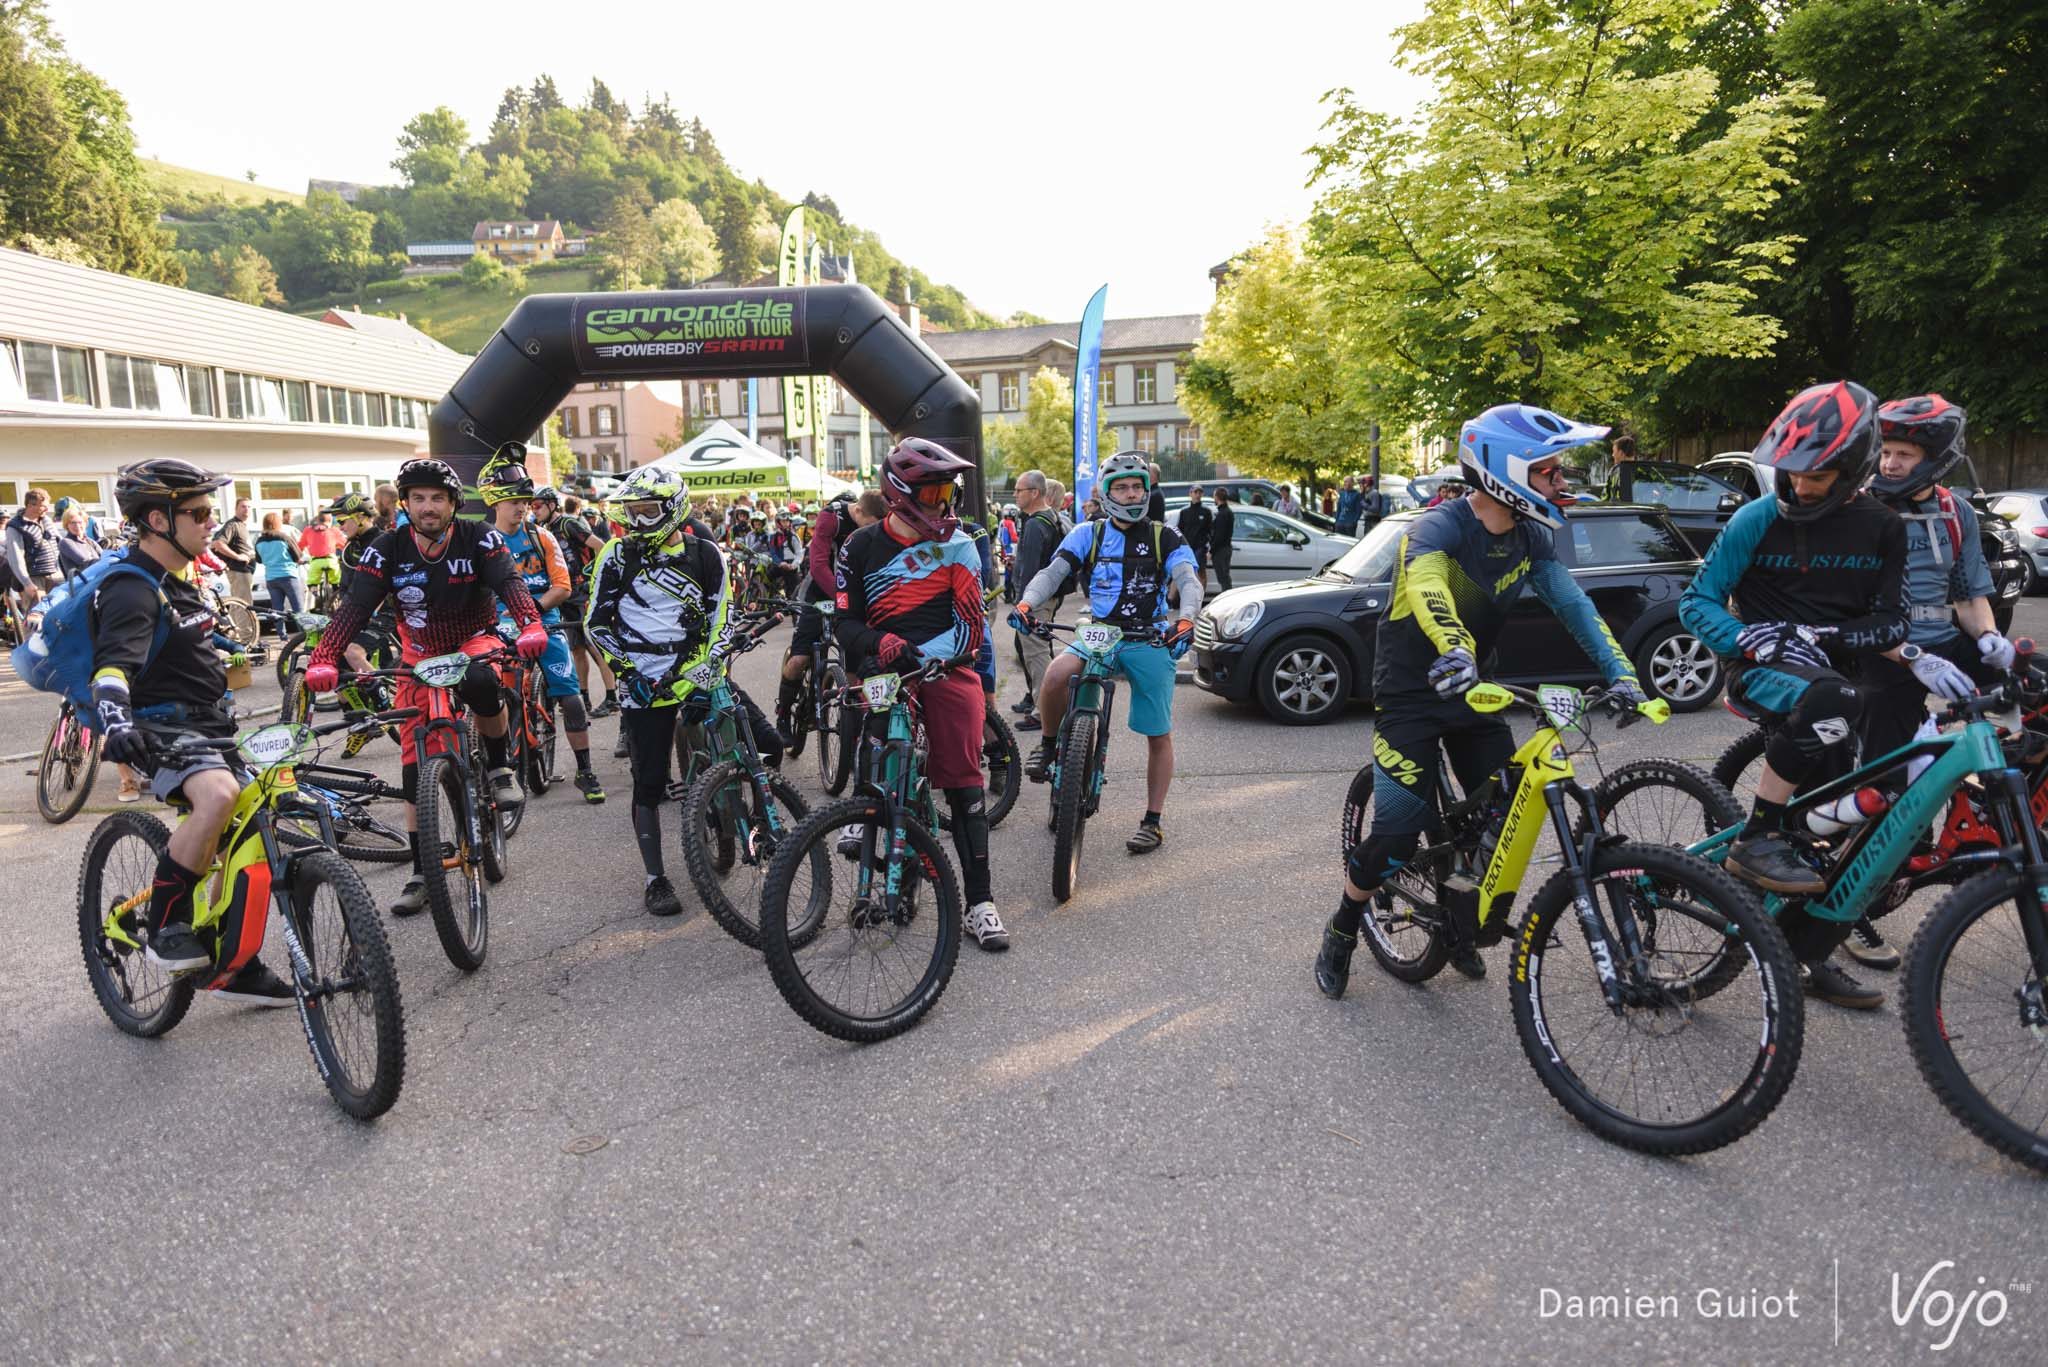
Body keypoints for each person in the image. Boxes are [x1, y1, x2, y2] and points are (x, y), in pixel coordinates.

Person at [1313, 404, 1652, 999]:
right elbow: (1427, 586)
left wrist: (1622, 672)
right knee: (1396, 835)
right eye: (1550, 471)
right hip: (1413, 690)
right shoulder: (1440, 527)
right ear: (1507, 471)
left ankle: (1456, 925)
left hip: (1474, 689)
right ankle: (1344, 925)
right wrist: (1455, 647)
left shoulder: (1530, 537)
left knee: (1492, 821)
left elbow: (1573, 606)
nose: (1562, 482)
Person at [1677, 381, 1906, 1009]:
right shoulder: (1757, 518)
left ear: (1855, 467)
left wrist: (1817, 633)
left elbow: (1893, 623)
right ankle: (1754, 838)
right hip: (1760, 671)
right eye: (1793, 471)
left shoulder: (1883, 528)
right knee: (1833, 704)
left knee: (1845, 818)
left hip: (1839, 685)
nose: (1801, 486)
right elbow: (1695, 602)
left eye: (1820, 474)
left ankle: (1804, 955)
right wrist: (1755, 640)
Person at [303, 457, 547, 917]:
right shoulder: (386, 547)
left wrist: (532, 624)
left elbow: (510, 584)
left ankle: (498, 769)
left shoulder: (479, 536)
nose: (428, 507)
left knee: (479, 680)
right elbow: (354, 608)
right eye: (418, 498)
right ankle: (421, 869)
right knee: (415, 766)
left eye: (437, 498)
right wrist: (323, 657)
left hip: (475, 640)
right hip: (419, 655)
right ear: (406, 503)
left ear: (453, 503)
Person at [91, 458, 293, 1003]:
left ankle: (236, 962)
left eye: (212, 511)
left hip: (211, 724)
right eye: (200, 513)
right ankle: (166, 924)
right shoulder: (130, 588)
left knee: (262, 811)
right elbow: (111, 669)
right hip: (160, 730)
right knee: (219, 796)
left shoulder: (177, 578)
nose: (212, 522)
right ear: (158, 520)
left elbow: (187, 642)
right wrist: (114, 726)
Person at [1843, 394, 2009, 971]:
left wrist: (1991, 640)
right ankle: (1849, 912)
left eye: (1903, 454)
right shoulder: (1860, 509)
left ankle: (2006, 806)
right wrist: (1909, 654)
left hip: (1944, 643)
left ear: (1934, 460)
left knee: (2034, 687)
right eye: (1885, 451)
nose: (1889, 463)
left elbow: (1969, 594)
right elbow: (1852, 608)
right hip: (1882, 652)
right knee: (1887, 788)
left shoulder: (1955, 512)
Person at [834, 439, 1007, 950]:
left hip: (945, 667)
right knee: (878, 745)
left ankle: (980, 903)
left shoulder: (959, 545)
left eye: (948, 490)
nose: (944, 502)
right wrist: (879, 642)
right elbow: (844, 622)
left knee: (962, 780)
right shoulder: (860, 546)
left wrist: (917, 652)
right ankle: (866, 814)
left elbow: (971, 628)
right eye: (933, 491)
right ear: (900, 493)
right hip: (884, 666)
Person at [1015, 451, 1202, 855]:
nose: (1131, 494)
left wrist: (1186, 619)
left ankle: (1152, 821)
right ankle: (1049, 745)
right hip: (1100, 633)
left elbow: (1188, 579)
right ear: (1107, 491)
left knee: (1158, 733)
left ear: (1147, 490)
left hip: (1150, 637)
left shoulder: (1165, 535)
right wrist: (1028, 603)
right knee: (1054, 676)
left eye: (1137, 487)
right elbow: (1053, 572)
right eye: (1122, 487)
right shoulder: (1089, 533)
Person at [584, 465, 738, 917]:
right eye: (632, 512)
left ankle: (749, 824)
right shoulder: (615, 553)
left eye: (648, 511)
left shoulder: (706, 553)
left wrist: (710, 667)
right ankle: (656, 878)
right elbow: (596, 623)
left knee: (758, 742)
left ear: (672, 509)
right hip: (642, 681)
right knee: (648, 782)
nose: (638, 521)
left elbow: (722, 617)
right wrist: (626, 670)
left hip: (697, 672)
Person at [479, 456, 603, 803]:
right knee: (484, 691)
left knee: (571, 697)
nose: (522, 507)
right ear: (494, 502)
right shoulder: (482, 541)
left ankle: (585, 770)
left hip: (542, 619)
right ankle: (494, 766)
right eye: (514, 501)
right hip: (497, 625)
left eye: (525, 501)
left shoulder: (542, 537)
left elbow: (562, 586)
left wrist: (529, 610)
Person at [774, 489, 878, 738]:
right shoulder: (832, 518)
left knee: (856, 662)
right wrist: (842, 600)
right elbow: (819, 565)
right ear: (860, 512)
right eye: (870, 525)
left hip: (850, 595)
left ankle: (855, 729)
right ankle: (783, 713)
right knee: (799, 660)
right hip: (819, 592)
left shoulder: (874, 524)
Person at [541, 488, 620, 716]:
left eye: (538, 505)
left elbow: (600, 545)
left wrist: (592, 576)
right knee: (576, 648)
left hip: (582, 593)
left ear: (552, 505)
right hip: (565, 593)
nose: (534, 510)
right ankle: (583, 697)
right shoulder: (547, 530)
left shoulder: (568, 524)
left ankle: (612, 697)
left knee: (596, 646)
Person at [1008, 470, 1063, 732]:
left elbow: (1029, 570)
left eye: (1019, 490)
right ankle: (1047, 706)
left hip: (1035, 602)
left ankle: (1044, 713)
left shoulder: (1035, 524)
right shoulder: (1050, 518)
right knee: (1040, 652)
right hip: (1047, 597)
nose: (1015, 495)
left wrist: (1022, 606)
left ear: (1035, 493)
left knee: (1037, 655)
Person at [4, 487, 62, 608]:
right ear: (30, 506)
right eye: (43, 506)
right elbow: (16, 557)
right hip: (34, 579)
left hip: (55, 576)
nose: (47, 509)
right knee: (35, 620)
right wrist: (27, 583)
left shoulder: (46, 520)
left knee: (59, 617)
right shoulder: (16, 526)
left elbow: (60, 543)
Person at [253, 511, 305, 635]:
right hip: (289, 576)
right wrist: (299, 561)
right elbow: (297, 555)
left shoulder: (259, 541)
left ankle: (282, 635)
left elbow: (259, 559)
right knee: (299, 609)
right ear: (278, 524)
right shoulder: (284, 538)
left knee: (277, 609)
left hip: (271, 578)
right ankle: (304, 636)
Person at [209, 497, 257, 605]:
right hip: (239, 570)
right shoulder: (233, 525)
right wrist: (238, 557)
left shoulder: (242, 525)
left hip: (245, 571)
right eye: (243, 506)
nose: (246, 509)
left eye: (249, 507)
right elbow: (218, 543)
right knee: (244, 604)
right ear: (236, 509)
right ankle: (243, 623)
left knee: (240, 605)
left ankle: (236, 622)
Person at [300, 511, 342, 603]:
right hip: (331, 561)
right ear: (330, 520)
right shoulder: (334, 530)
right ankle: (336, 595)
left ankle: (315, 593)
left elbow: (301, 545)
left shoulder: (308, 530)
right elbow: (344, 544)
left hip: (316, 562)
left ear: (318, 519)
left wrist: (298, 558)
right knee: (336, 581)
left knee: (312, 582)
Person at [1177, 484, 1213, 590]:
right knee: (1187, 573)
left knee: (1201, 572)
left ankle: (1200, 597)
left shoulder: (1206, 512)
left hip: (1200, 548)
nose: (1197, 495)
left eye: (1199, 492)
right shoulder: (1184, 512)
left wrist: (1209, 549)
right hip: (1187, 548)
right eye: (1195, 492)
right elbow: (1180, 531)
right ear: (1190, 494)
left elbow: (1210, 531)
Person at [56, 505, 102, 579]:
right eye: (72, 523)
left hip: (96, 580)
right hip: (80, 586)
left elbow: (104, 557)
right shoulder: (65, 542)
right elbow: (84, 561)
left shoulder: (90, 542)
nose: (77, 526)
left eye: (80, 522)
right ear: (67, 525)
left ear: (85, 523)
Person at [1209, 487, 1236, 590]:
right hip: (1226, 548)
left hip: (1220, 551)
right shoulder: (1228, 512)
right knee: (1225, 577)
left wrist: (1211, 551)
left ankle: (1227, 600)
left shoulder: (1222, 514)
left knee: (1223, 578)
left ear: (1216, 497)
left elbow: (1219, 536)